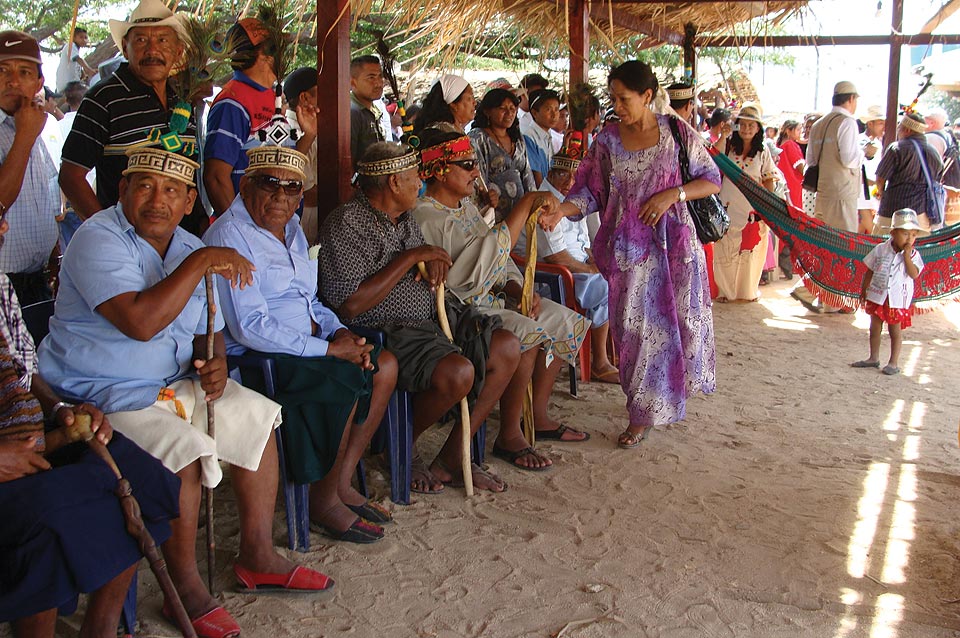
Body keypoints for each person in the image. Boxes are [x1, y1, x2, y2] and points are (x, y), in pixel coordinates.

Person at [39, 146, 332, 638]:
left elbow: (205, 329)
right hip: (102, 398)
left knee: (254, 415)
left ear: (189, 200)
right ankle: (186, 587)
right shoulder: (98, 238)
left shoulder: (187, 247)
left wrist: (215, 359)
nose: (159, 200)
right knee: (187, 451)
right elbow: (140, 321)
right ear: (122, 191)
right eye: (146, 187)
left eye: (173, 191)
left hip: (172, 384)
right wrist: (199, 264)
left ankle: (257, 555)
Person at [203, 145, 397, 540]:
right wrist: (329, 350)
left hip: (308, 344)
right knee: (343, 374)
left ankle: (339, 482)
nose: (281, 196)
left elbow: (308, 300)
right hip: (261, 359)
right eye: (269, 184)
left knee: (384, 365)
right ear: (245, 185)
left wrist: (337, 331)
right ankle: (320, 501)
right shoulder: (228, 235)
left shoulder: (291, 228)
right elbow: (248, 327)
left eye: (292, 188)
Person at [320, 142, 519, 493]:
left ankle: (453, 456)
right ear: (394, 182)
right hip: (387, 328)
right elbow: (350, 305)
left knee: (506, 348)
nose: (420, 184)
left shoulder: (405, 218)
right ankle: (398, 447)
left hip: (432, 317)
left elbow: (422, 262)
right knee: (458, 373)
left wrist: (432, 262)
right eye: (414, 177)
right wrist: (412, 257)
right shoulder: (347, 222)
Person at [547, 59, 721, 447]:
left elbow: (711, 180)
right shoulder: (606, 140)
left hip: (674, 247)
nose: (618, 106)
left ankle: (657, 404)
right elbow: (588, 192)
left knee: (677, 325)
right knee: (633, 332)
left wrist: (670, 195)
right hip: (629, 251)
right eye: (613, 98)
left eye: (624, 99)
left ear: (647, 96)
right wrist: (561, 210)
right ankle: (641, 411)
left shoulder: (676, 131)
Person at [412, 129, 591, 470]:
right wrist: (524, 205)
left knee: (557, 317)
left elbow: (499, 259)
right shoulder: (426, 216)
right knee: (527, 332)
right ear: (439, 170)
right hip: (462, 310)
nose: (475, 172)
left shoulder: (466, 209)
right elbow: (468, 275)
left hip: (491, 300)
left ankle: (536, 415)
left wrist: (517, 289)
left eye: (474, 164)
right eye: (466, 165)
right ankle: (509, 433)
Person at [59, 0, 201, 229]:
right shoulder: (103, 98)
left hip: (183, 243)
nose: (152, 50)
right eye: (141, 40)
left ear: (178, 51)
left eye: (163, 40)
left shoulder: (182, 98)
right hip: (130, 248)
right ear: (125, 48)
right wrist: (111, 234)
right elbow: (71, 176)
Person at [514, 145, 619, 383]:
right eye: (564, 174)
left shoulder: (573, 198)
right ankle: (599, 362)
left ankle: (617, 353)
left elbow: (588, 239)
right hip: (550, 275)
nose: (571, 181)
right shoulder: (544, 201)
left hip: (576, 267)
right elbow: (556, 257)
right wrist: (592, 269)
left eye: (576, 175)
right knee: (605, 284)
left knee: (620, 275)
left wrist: (597, 259)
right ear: (551, 174)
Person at [0, 31, 60, 305]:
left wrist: (53, 254)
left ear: (39, 82)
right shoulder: (27, 129)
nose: (12, 80)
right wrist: (24, 137)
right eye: (2, 70)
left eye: (24, 72)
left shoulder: (30, 124)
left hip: (37, 280)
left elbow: (42, 198)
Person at [203, 16, 277, 215]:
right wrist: (237, 231)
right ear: (264, 56)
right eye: (276, 49)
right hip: (247, 232)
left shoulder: (272, 95)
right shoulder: (232, 102)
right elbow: (216, 178)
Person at [713, 103, 777, 302]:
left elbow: (768, 179)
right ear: (737, 125)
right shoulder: (729, 145)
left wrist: (767, 205)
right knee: (726, 249)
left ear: (758, 129)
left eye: (752, 125)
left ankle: (746, 292)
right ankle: (726, 292)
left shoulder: (763, 151)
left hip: (752, 208)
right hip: (729, 205)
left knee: (750, 250)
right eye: (744, 124)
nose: (747, 129)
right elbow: (713, 158)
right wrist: (723, 135)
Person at [850, 208, 924, 376]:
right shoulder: (881, 249)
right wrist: (864, 289)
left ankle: (893, 362)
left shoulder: (914, 255)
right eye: (905, 234)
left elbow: (913, 274)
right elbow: (870, 270)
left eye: (913, 235)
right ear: (893, 233)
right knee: (875, 327)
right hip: (878, 295)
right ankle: (873, 358)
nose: (909, 239)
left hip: (897, 299)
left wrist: (906, 256)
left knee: (894, 330)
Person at [469, 88, 536, 221]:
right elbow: (478, 178)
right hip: (494, 213)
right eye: (502, 108)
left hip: (520, 213)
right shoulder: (478, 138)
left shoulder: (517, 138)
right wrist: (488, 196)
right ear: (487, 111)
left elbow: (527, 174)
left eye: (512, 108)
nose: (509, 113)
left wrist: (533, 202)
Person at [805, 81, 862, 233]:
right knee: (843, 243)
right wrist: (863, 153)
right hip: (842, 194)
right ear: (851, 99)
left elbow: (811, 161)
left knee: (823, 241)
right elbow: (849, 159)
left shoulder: (817, 125)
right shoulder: (847, 122)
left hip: (822, 193)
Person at [874, 112, 943, 233]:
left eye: (899, 127)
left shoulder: (897, 148)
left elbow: (880, 178)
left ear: (906, 130)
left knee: (881, 248)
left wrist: (881, 192)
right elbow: (937, 178)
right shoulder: (934, 152)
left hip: (892, 212)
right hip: (921, 215)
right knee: (918, 250)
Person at [283, 66, 320, 243]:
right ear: (304, 97)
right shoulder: (293, 131)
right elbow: (309, 193)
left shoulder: (307, 127)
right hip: (303, 226)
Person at [349, 55, 386, 169]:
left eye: (380, 76)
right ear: (353, 83)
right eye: (371, 77)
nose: (379, 83)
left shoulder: (375, 110)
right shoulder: (351, 113)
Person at [520, 88, 561, 186]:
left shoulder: (547, 135)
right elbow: (537, 179)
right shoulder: (529, 137)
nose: (554, 115)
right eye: (548, 109)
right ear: (534, 113)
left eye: (556, 109)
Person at [858, 105, 886, 234]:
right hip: (862, 196)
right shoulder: (860, 142)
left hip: (872, 197)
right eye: (880, 123)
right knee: (872, 231)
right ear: (870, 124)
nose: (883, 127)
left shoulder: (878, 144)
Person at [55, 27, 95, 93]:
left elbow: (80, 72)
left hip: (71, 84)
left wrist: (87, 75)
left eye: (86, 38)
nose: (84, 40)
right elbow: (78, 59)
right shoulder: (71, 45)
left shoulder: (75, 52)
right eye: (81, 37)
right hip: (68, 84)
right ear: (73, 38)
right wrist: (89, 70)